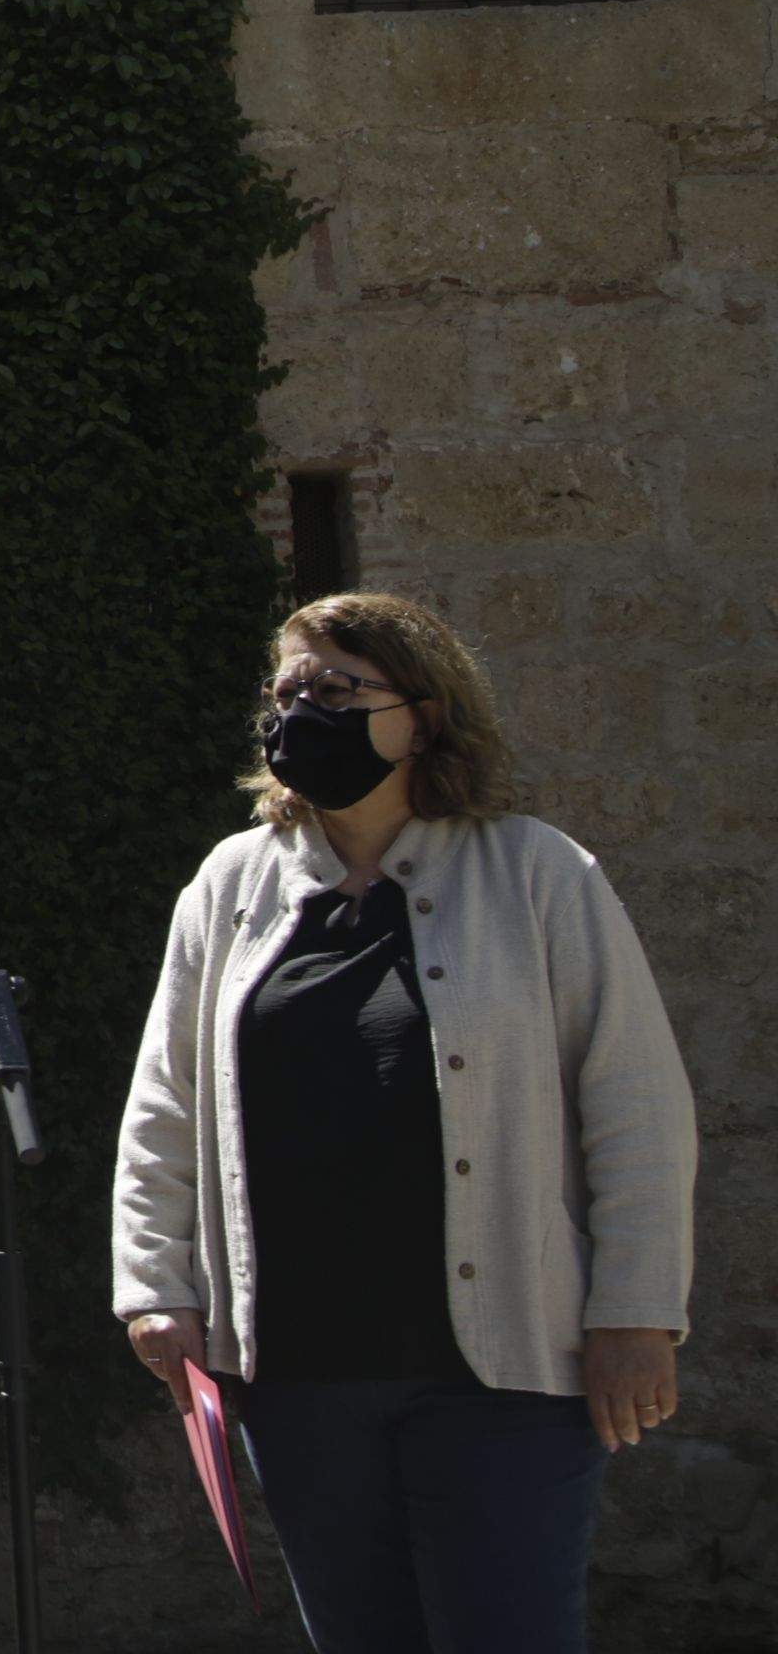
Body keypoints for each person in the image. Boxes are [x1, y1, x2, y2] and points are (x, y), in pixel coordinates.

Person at [113, 591, 696, 1654]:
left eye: (340, 688)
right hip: (298, 1375)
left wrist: (638, 1311)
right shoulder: (230, 885)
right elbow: (166, 1099)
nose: (306, 711)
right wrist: (154, 1286)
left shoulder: (539, 873)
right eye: (289, 691)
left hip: (506, 1377)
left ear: (423, 714)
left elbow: (635, 1102)